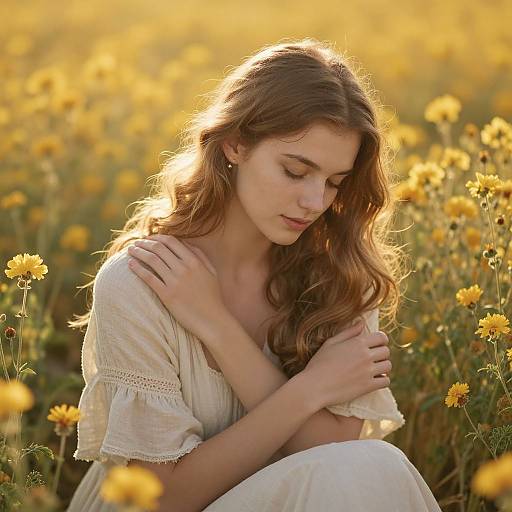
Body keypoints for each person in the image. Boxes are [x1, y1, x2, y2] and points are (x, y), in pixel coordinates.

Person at [66, 38, 442, 511]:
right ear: (234, 144)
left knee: (373, 464)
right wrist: (310, 390)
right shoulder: (140, 281)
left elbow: (336, 455)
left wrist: (218, 329)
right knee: (373, 465)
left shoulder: (340, 274)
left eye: (333, 183)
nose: (314, 202)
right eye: (295, 171)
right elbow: (160, 500)